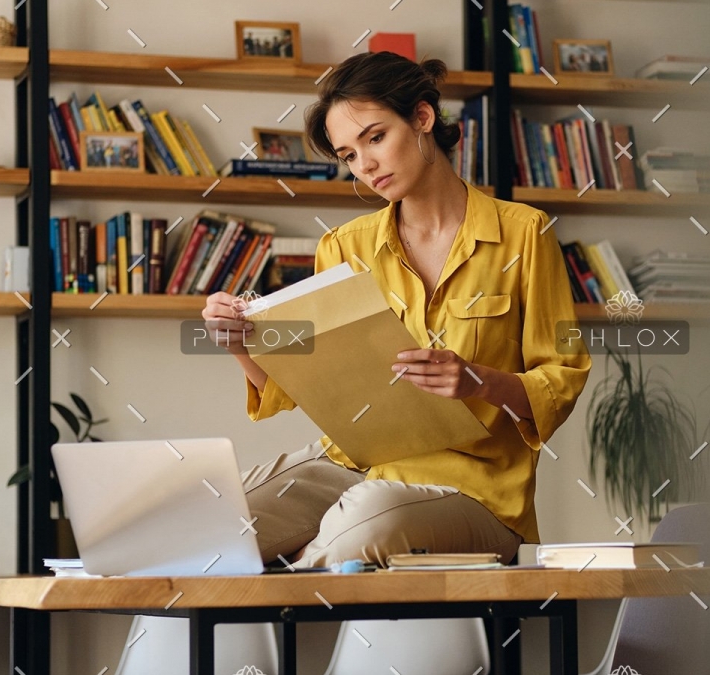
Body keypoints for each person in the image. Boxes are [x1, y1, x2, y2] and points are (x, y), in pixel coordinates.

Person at [201, 51, 592, 568]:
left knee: (360, 522)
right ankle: (292, 573)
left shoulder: (526, 232)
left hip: (478, 489)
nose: (364, 165)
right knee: (209, 522)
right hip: (355, 466)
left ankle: (297, 572)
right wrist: (238, 343)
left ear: (423, 118)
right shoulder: (343, 246)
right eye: (347, 155)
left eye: (375, 137)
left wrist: (477, 382)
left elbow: (561, 377)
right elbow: (302, 384)